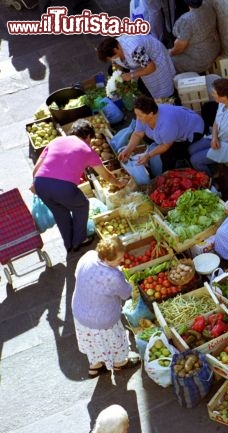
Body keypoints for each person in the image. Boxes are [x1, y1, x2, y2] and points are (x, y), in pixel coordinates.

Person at [32, 119, 125, 253]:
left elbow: (37, 167)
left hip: (41, 183)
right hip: (63, 187)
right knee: (82, 205)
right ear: (87, 136)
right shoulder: (86, 149)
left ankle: (69, 245)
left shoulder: (56, 141)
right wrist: (119, 183)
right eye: (90, 139)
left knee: (61, 214)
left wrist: (35, 185)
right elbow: (106, 175)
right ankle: (78, 241)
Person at [72, 237, 140, 377]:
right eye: (118, 259)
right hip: (102, 319)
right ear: (108, 259)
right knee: (115, 340)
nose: (121, 261)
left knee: (93, 342)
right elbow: (125, 293)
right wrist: (127, 281)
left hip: (80, 311)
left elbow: (77, 275)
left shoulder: (88, 256)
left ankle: (95, 366)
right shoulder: (113, 276)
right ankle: (119, 362)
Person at [118, 96, 206, 177]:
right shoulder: (143, 117)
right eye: (136, 114)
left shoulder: (167, 123)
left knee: (167, 155)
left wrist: (148, 155)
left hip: (193, 129)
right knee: (147, 139)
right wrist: (128, 150)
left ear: (151, 114)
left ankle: (167, 176)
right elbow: (138, 134)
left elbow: (165, 145)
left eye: (140, 115)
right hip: (173, 129)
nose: (137, 118)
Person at [97, 35, 176, 100]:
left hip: (154, 59)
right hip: (141, 60)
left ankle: (170, 101)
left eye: (113, 57)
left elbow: (151, 67)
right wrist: (116, 71)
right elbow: (114, 62)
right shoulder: (113, 45)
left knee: (162, 88)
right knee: (145, 84)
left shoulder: (134, 50)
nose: (113, 59)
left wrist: (131, 75)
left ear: (116, 49)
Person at [168, 0, 221, 74]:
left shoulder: (186, 20)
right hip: (214, 49)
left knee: (168, 61)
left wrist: (170, 52)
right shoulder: (208, 5)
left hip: (199, 60)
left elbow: (179, 47)